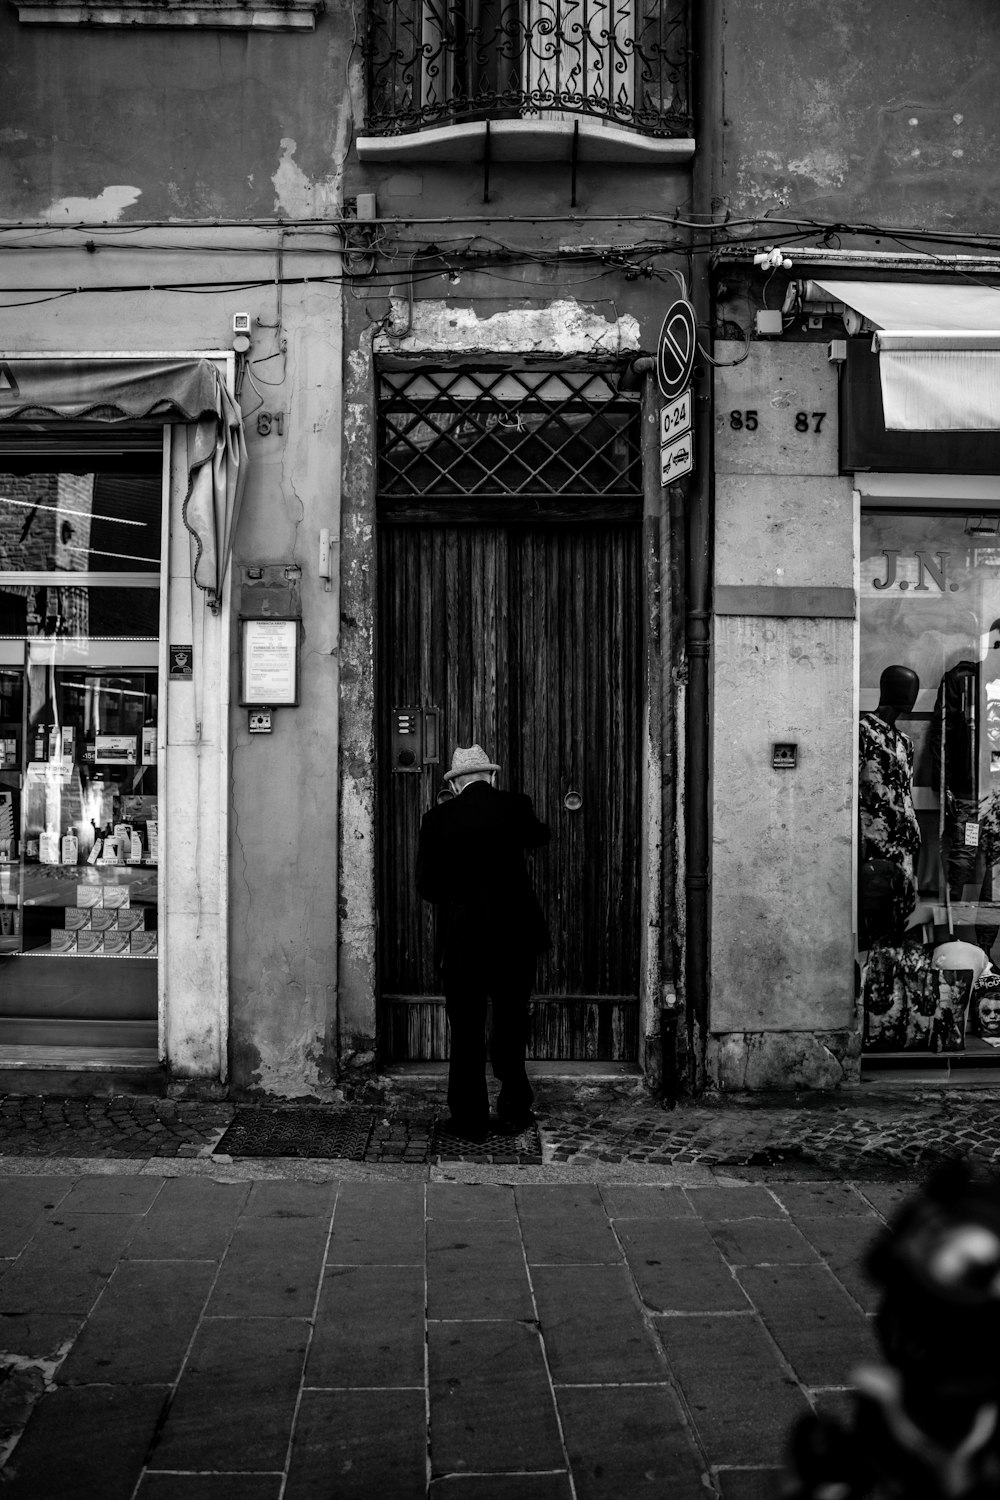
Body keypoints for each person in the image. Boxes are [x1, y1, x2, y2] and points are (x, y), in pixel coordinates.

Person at [416, 743, 550, 1140]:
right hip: (515, 936)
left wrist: (459, 897)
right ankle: (514, 1108)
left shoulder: (436, 818)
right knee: (511, 1020)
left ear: (455, 785)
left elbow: (427, 886)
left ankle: (470, 1118)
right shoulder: (515, 805)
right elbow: (540, 836)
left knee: (467, 1028)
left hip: (464, 940)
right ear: (491, 777)